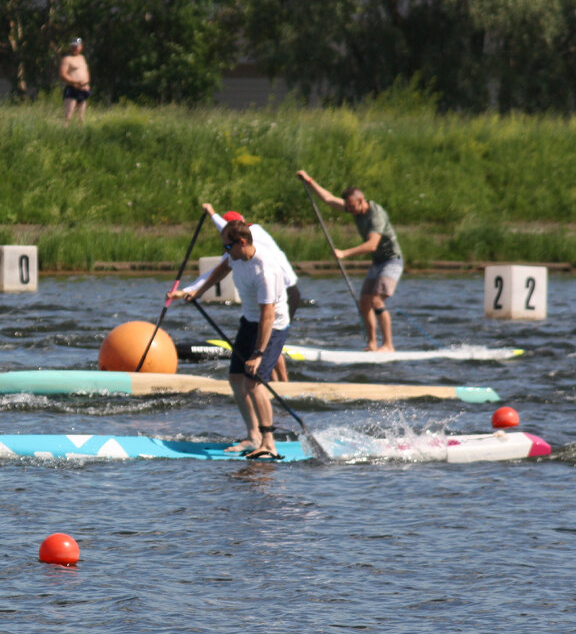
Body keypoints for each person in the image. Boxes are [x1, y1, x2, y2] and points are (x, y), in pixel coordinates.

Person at [168, 219, 290, 460]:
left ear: (242, 243)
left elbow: (267, 316)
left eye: (227, 246)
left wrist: (258, 354)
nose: (225, 251)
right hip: (249, 321)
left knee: (253, 383)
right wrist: (197, 292)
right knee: (235, 378)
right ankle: (253, 436)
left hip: (272, 327)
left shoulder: (266, 270)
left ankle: (269, 443)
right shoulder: (235, 257)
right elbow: (220, 270)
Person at [296, 170, 404, 351]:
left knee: (377, 301)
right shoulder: (355, 207)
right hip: (377, 263)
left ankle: (388, 345)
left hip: (392, 261)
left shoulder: (376, 215)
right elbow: (329, 199)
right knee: (364, 301)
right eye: (348, 206)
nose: (350, 210)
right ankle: (372, 344)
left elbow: (372, 245)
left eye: (352, 206)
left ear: (361, 200)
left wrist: (344, 254)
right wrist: (309, 180)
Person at [202, 204, 301, 381]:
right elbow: (222, 264)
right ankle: (271, 382)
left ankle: (283, 385)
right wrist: (210, 212)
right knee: (261, 342)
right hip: (264, 300)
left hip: (286, 292)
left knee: (268, 339)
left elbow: (268, 318)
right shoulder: (239, 245)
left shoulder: (254, 236)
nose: (225, 250)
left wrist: (211, 212)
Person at [60, 38, 91, 124]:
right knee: (68, 116)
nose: (74, 48)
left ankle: (79, 131)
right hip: (72, 89)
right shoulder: (67, 59)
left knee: (81, 118)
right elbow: (63, 75)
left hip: (83, 89)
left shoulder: (82, 58)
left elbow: (86, 71)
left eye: (76, 46)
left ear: (81, 47)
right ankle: (64, 130)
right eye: (73, 46)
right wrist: (76, 82)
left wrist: (86, 83)